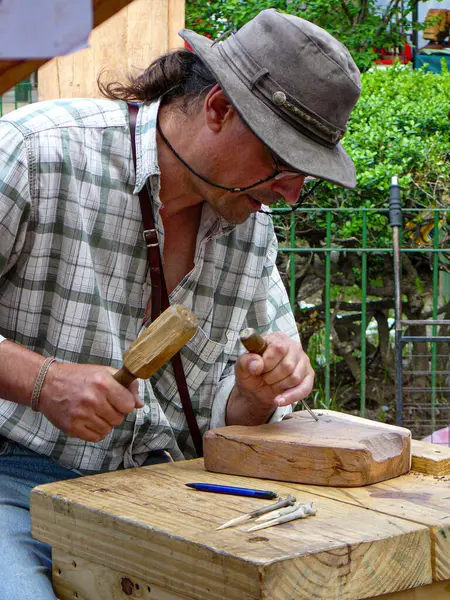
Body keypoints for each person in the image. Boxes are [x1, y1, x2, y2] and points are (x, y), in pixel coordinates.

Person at [0, 8, 361, 599]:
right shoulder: (37, 152)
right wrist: (41, 381)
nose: (290, 193)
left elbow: (235, 413)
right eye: (282, 162)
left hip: (173, 490)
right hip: (16, 479)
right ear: (219, 109)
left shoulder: (251, 224)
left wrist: (254, 395)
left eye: (306, 176)